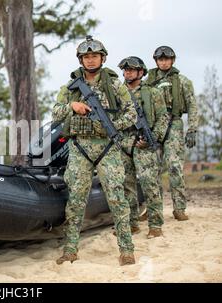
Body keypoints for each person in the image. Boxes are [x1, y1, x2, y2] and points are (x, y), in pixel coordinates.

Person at [53, 36, 137, 266]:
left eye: (94, 56)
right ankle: (70, 250)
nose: (91, 60)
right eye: (86, 57)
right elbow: (56, 112)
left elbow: (132, 114)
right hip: (80, 148)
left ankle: (127, 250)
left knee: (117, 198)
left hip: (107, 148)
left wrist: (111, 126)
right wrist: (73, 106)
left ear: (103, 58)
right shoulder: (70, 87)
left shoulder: (115, 85)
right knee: (76, 200)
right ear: (81, 60)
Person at [118, 56, 168, 238]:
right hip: (124, 143)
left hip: (145, 144)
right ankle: (131, 224)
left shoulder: (152, 93)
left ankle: (155, 225)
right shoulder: (119, 93)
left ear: (141, 72)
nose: (127, 72)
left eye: (131, 69)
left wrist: (153, 137)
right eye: (125, 69)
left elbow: (163, 118)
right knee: (126, 185)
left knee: (149, 184)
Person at [146, 46, 198, 221]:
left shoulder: (183, 81)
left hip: (174, 124)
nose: (163, 62)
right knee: (152, 170)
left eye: (167, 59)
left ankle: (179, 208)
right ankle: (152, 209)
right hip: (153, 126)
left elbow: (192, 105)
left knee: (174, 167)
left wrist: (192, 128)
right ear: (156, 61)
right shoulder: (148, 81)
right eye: (160, 59)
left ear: (173, 60)